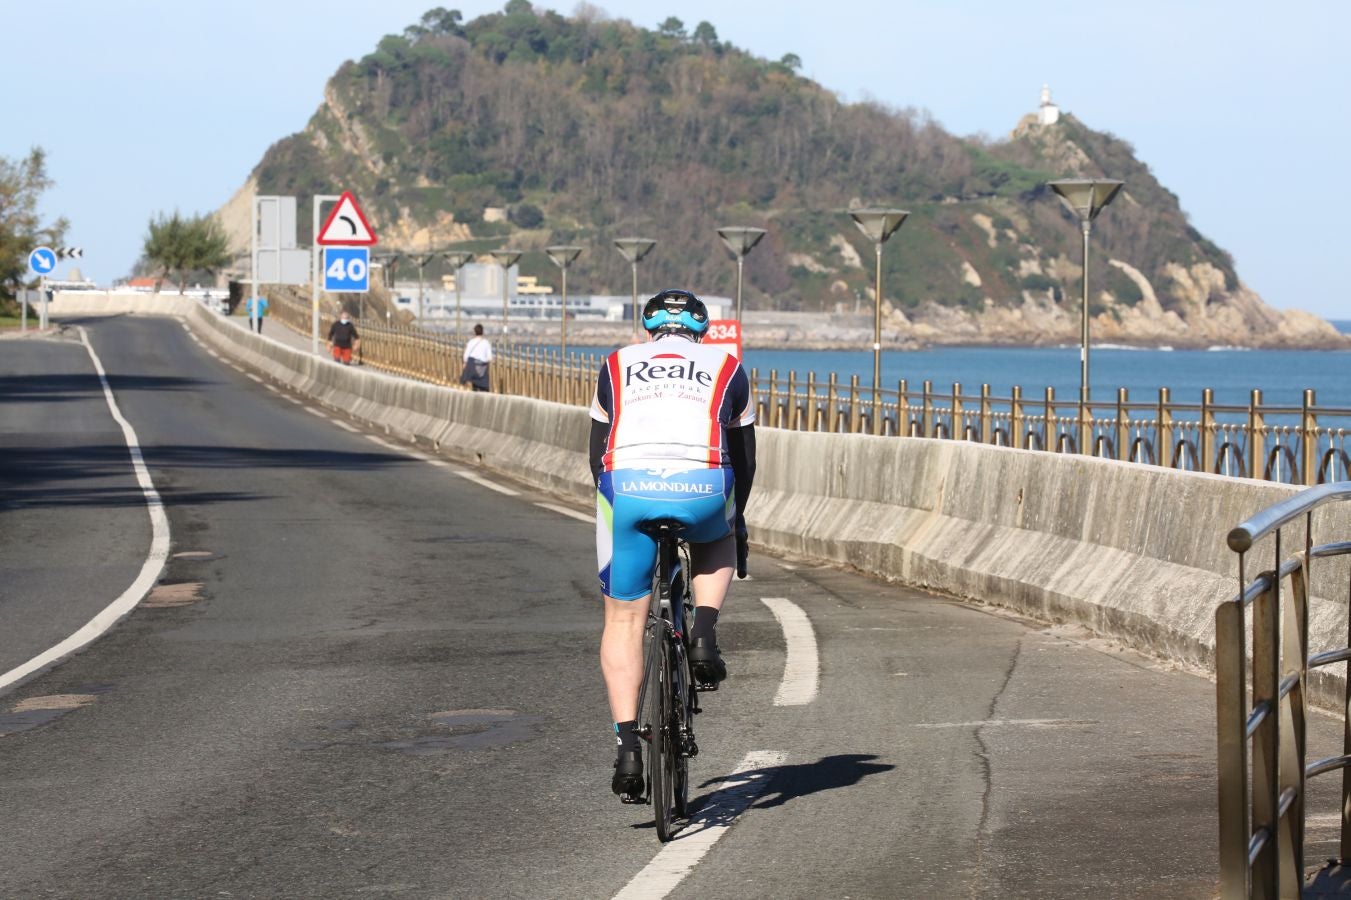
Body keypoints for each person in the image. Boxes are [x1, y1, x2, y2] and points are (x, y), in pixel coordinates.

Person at [589, 289, 756, 799]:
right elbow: (745, 460)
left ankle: (627, 750)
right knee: (719, 536)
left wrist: (621, 501)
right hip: (703, 487)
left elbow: (596, 456)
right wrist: (738, 519)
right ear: (702, 329)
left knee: (622, 620)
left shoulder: (616, 364)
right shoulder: (728, 367)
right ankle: (703, 633)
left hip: (630, 488)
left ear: (649, 327)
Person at [460, 323, 492, 392]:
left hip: (473, 366)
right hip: (482, 368)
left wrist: (465, 363)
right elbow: (489, 357)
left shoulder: (471, 342)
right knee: (484, 387)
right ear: (482, 332)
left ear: (475, 332)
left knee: (474, 385)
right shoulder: (486, 343)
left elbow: (466, 356)